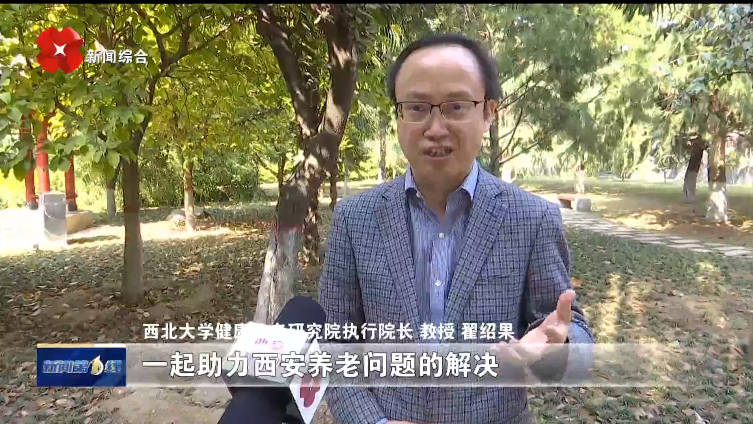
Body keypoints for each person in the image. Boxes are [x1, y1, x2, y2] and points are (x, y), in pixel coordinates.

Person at [319, 33, 594, 424]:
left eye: (456, 106)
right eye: (417, 108)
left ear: (489, 112)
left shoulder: (532, 218)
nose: (436, 127)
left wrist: (560, 347)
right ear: (399, 116)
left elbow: (565, 327)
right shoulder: (355, 218)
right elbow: (334, 344)